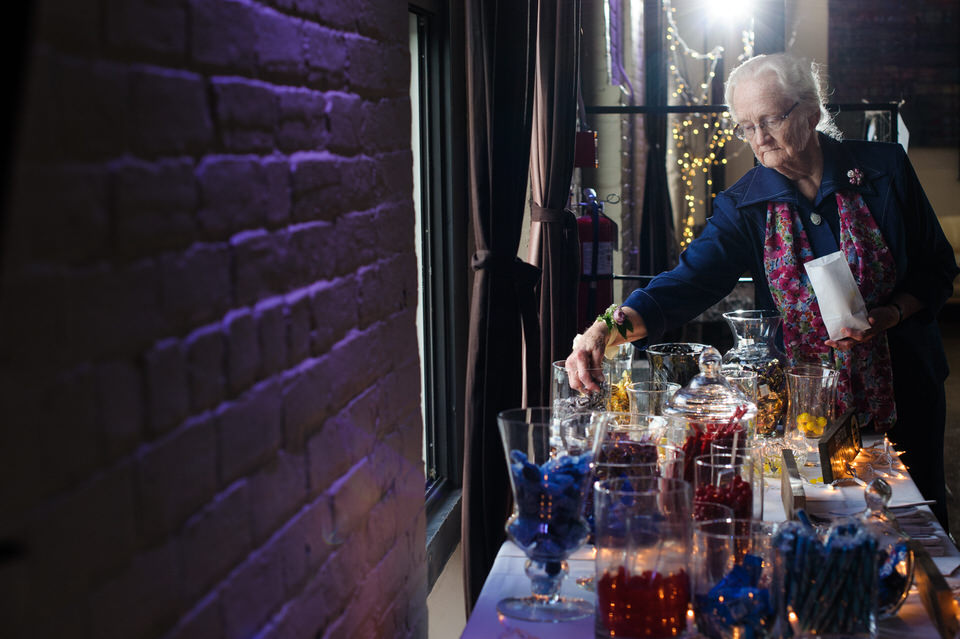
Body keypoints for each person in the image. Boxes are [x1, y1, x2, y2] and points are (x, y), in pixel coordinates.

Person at [566, 53, 959, 530]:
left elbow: (937, 267)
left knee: (915, 522)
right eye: (746, 126)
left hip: (904, 391)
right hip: (806, 409)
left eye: (771, 118)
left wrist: (894, 312)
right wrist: (604, 328)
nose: (759, 138)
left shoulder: (884, 170)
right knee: (820, 527)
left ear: (812, 111)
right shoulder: (744, 207)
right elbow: (685, 284)